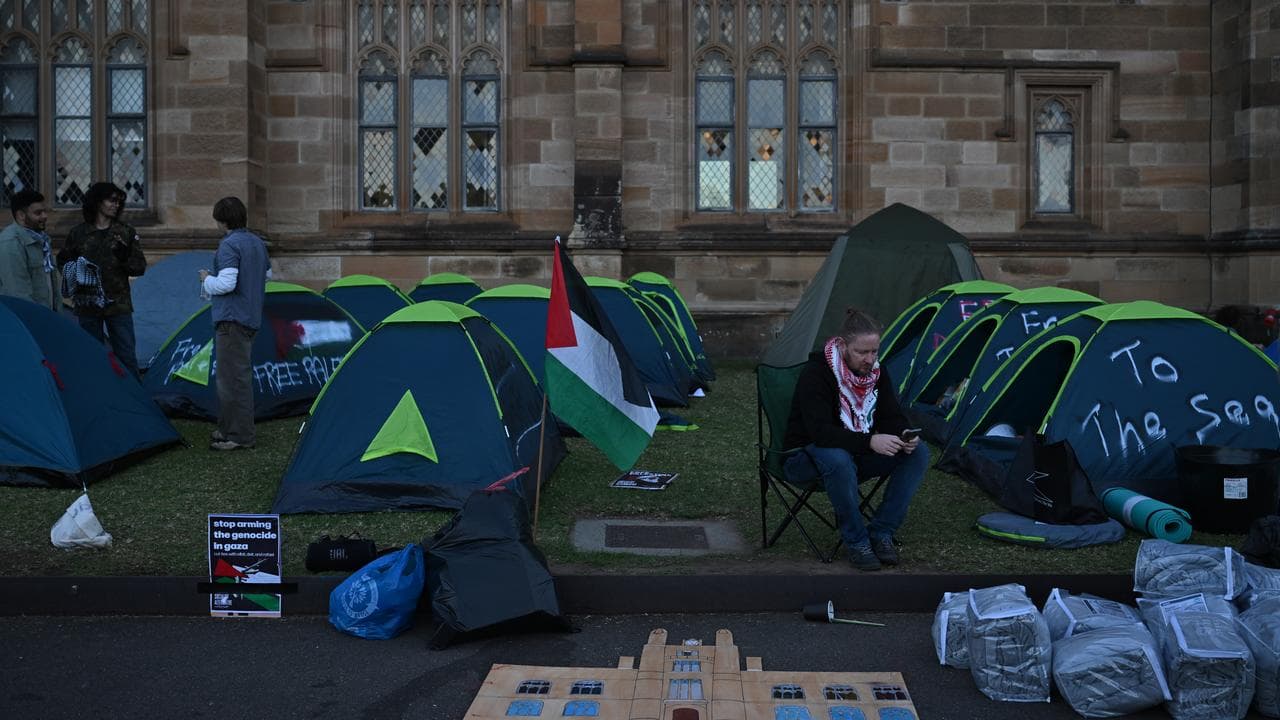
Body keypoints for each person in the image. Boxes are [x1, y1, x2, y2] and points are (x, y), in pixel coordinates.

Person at [782, 308, 930, 572]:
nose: (869, 359)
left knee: (918, 453)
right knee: (836, 457)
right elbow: (820, 433)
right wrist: (869, 442)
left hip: (855, 458)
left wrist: (904, 435)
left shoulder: (876, 372)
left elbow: (891, 415)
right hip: (803, 459)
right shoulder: (816, 374)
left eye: (874, 351)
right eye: (862, 352)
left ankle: (881, 532)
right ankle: (857, 540)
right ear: (842, 345)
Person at [200, 197, 270, 452]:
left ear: (221, 220)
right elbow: (267, 275)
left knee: (232, 380)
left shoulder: (229, 245)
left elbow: (226, 284)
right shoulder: (257, 243)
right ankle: (229, 428)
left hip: (231, 319)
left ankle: (240, 435)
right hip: (251, 316)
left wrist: (207, 280)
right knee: (234, 377)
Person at [57, 182, 146, 377]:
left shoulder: (125, 232)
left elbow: (140, 268)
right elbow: (63, 262)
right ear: (98, 203)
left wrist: (125, 257)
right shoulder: (79, 233)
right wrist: (78, 279)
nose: (116, 205)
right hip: (88, 304)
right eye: (111, 200)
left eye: (119, 201)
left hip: (118, 304)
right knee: (92, 356)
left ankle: (134, 400)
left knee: (126, 356)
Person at [0, 189, 57, 310]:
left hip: (47, 316)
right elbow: (17, 292)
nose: (45, 216)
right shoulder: (11, 242)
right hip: (32, 319)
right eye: (38, 213)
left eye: (45, 211)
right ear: (21, 215)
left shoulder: (42, 239)